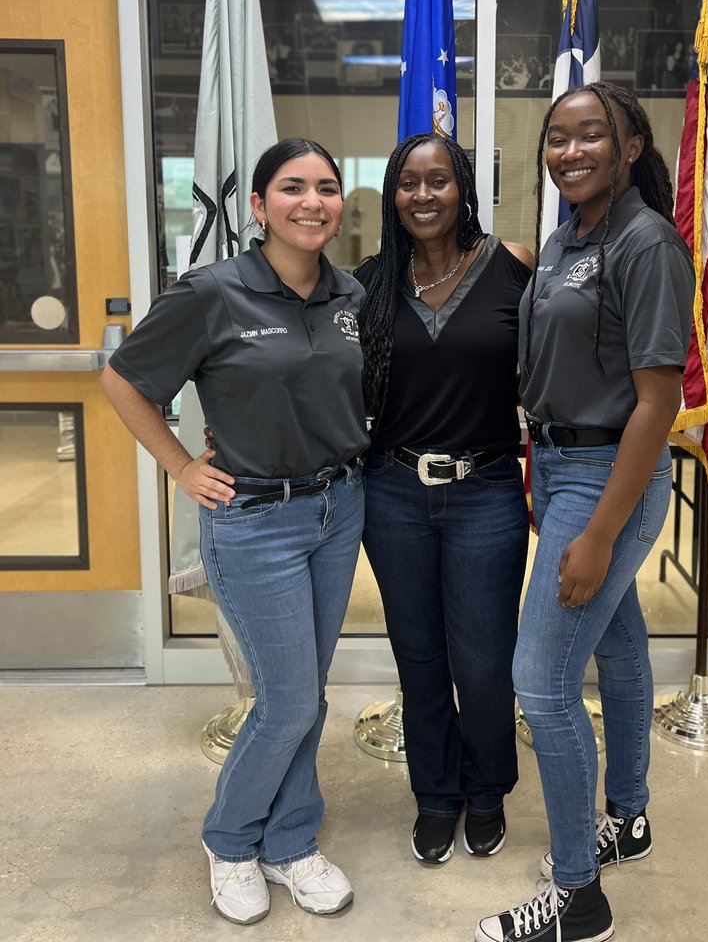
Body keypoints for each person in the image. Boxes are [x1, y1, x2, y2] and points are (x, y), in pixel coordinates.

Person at [101, 139, 368, 927]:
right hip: (254, 521)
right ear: (258, 206)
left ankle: (290, 842)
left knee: (307, 697)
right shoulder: (213, 293)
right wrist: (183, 466)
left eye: (326, 187)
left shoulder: (348, 294)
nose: (312, 201)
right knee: (284, 703)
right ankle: (230, 839)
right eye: (292, 188)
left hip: (337, 509)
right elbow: (122, 378)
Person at [476, 83, 695, 942]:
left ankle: (578, 897)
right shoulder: (571, 238)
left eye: (591, 135)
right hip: (561, 460)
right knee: (621, 643)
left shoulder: (647, 242)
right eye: (556, 138)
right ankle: (629, 821)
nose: (570, 151)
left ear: (631, 146)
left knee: (543, 683)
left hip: (608, 474)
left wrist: (600, 531)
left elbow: (657, 399)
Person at [358, 132, 534, 866]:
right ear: (392, 195)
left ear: (462, 188)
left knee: (486, 660)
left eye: (438, 181)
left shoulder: (513, 265)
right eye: (408, 183)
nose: (422, 195)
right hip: (392, 492)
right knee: (419, 655)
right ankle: (435, 794)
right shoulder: (368, 281)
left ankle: (487, 787)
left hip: (487, 489)